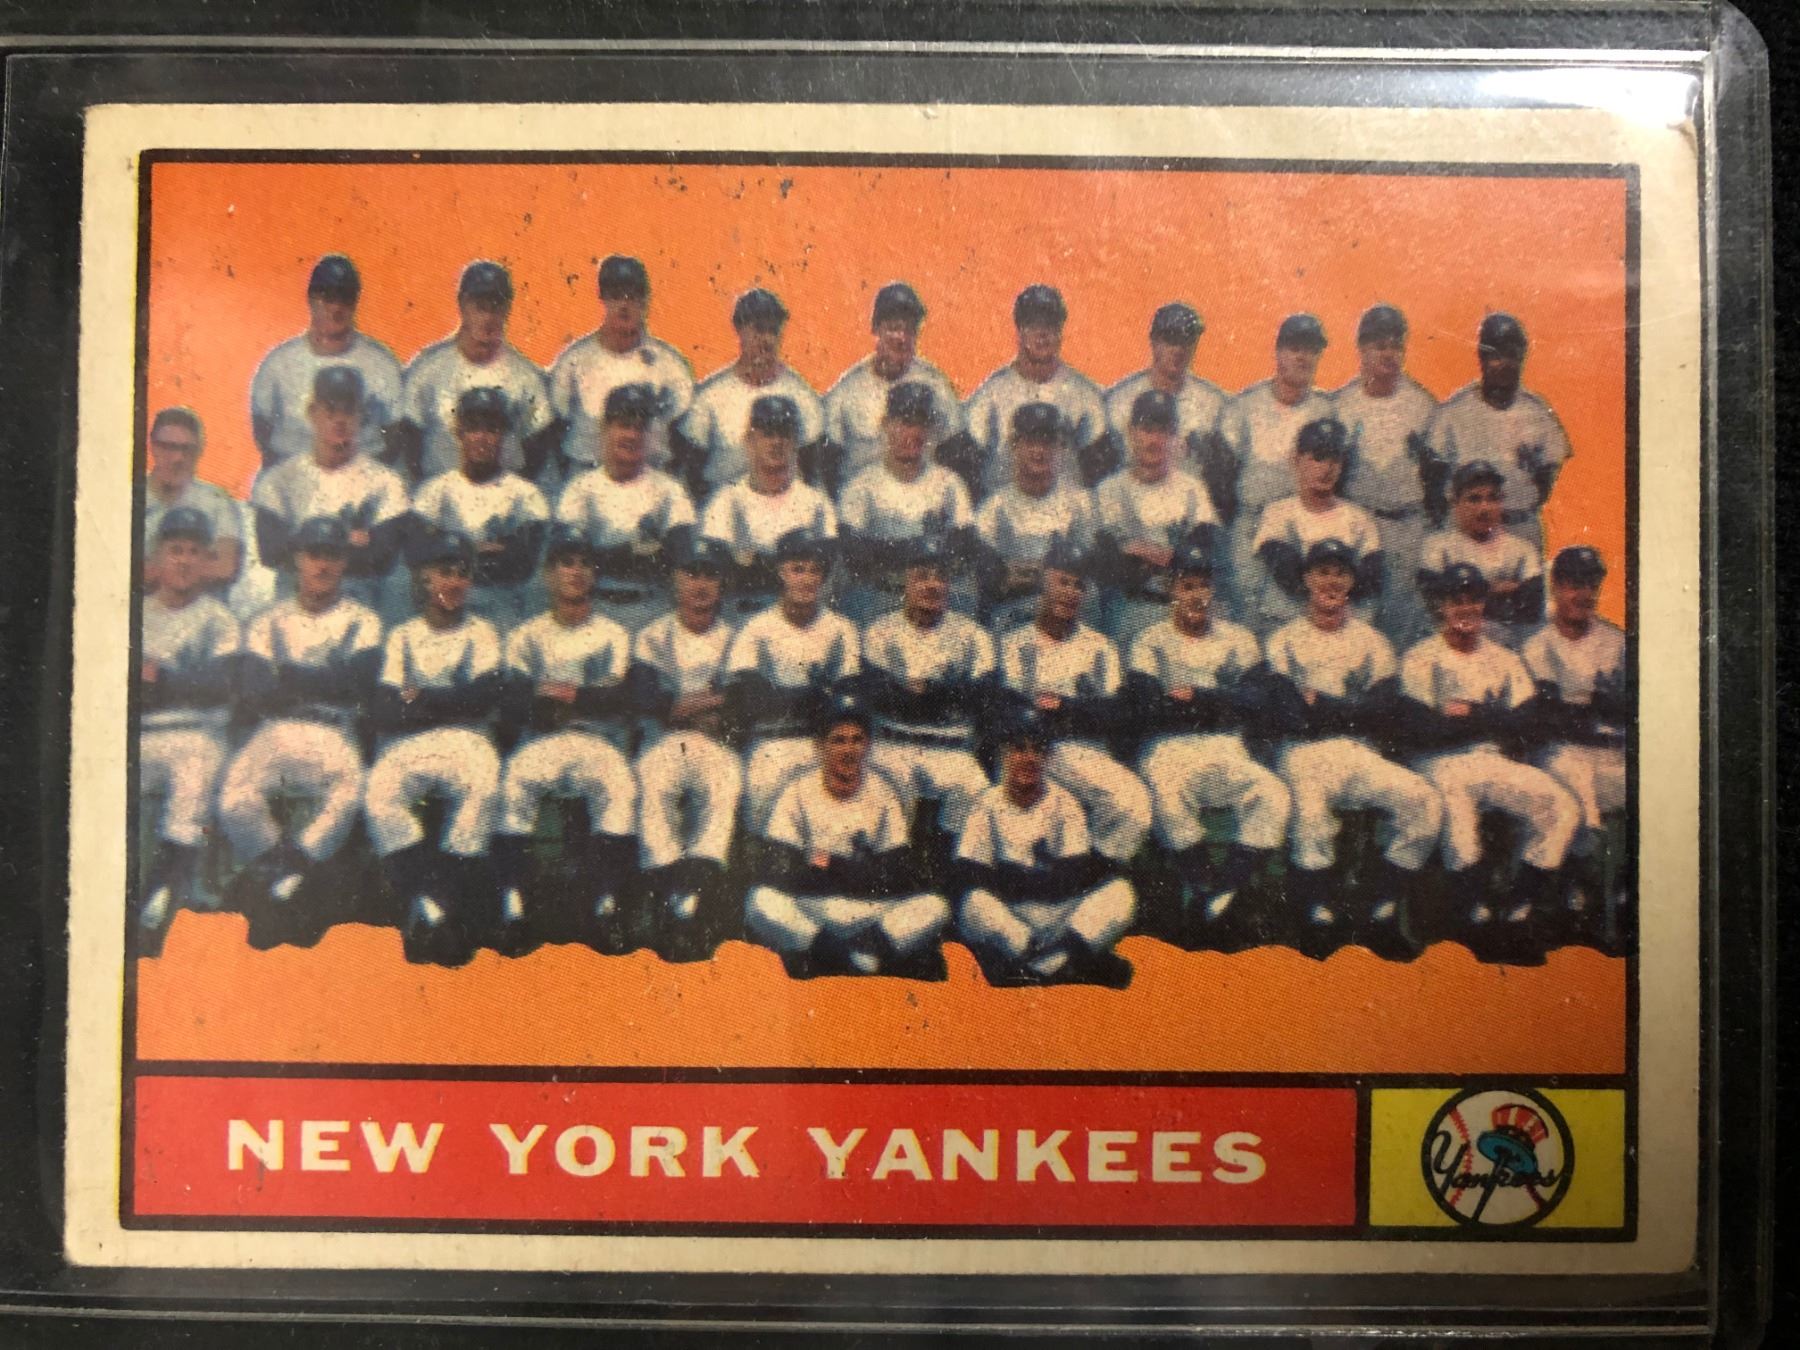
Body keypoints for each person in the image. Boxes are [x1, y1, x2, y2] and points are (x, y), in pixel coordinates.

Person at [1264, 540, 1444, 961]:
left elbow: (1383, 712)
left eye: (1341, 573)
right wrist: (1352, 708)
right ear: (1306, 579)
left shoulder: (1372, 641)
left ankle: (1381, 910)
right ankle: (1317, 916)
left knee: (1423, 801)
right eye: (1323, 572)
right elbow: (1290, 714)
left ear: (1352, 581)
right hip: (1303, 752)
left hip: (1359, 752)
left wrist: (1322, 705)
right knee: (1310, 814)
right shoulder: (1283, 640)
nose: (1332, 582)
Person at [1398, 564, 1582, 965]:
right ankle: (1475, 915)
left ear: (1485, 603)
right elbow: (1422, 731)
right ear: (1440, 605)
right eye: (1456, 599)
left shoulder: (1504, 658)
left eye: (1474, 598)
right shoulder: (1421, 657)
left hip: (1491, 759)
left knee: (1562, 806)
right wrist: (1497, 720)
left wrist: (1473, 714)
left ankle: (1518, 910)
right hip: (1438, 762)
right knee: (1455, 801)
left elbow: (1531, 725)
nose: (1466, 607)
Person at [218, 516, 382, 948]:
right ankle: (290, 875)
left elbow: (358, 683)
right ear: (297, 559)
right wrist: (326, 676)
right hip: (277, 729)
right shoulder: (268, 620)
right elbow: (257, 689)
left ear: (344, 562)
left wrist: (288, 674)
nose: (322, 565)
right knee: (234, 798)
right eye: (314, 554)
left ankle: (281, 878)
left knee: (348, 793)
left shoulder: (362, 620)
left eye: (332, 555)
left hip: (334, 729)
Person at [1126, 534, 1290, 948]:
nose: (1197, 596)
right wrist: (1225, 701)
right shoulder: (1151, 640)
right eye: (1187, 586)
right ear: (1170, 589)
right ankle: (1204, 887)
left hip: (1226, 746)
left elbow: (1259, 702)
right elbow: (1149, 708)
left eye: (1204, 585)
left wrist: (1199, 698)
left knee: (1273, 794)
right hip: (1169, 748)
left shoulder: (1239, 639)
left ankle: (1219, 892)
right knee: (1166, 795)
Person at [492, 525, 642, 956]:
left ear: (595, 574)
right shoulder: (526, 635)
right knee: (513, 784)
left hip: (597, 741)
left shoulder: (613, 633)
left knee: (620, 786)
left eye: (584, 564)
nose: (575, 572)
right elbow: (517, 701)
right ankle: (513, 910)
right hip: (541, 741)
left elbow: (615, 699)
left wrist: (555, 693)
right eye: (565, 563)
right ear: (548, 573)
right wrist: (582, 697)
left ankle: (605, 907)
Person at [362, 529, 504, 966]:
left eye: (463, 573)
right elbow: (385, 707)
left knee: (483, 788)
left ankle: (435, 908)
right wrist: (449, 700)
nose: (455, 582)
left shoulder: (482, 632)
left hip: (468, 738)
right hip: (409, 742)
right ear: (424, 578)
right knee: (379, 795)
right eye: (445, 572)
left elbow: (482, 699)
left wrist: (419, 697)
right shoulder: (403, 636)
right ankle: (436, 904)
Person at [746, 690, 952, 980]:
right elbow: (779, 868)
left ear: (868, 745)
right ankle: (853, 956)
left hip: (868, 912)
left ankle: (837, 954)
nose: (849, 749)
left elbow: (898, 872)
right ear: (820, 746)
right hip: (815, 909)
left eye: (857, 739)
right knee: (760, 901)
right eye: (838, 740)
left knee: (935, 907)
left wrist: (829, 865)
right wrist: (860, 871)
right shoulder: (797, 792)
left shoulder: (882, 793)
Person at [996, 536, 1153, 868]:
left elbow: (1115, 713)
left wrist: (1065, 708)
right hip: (1031, 749)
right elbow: (1009, 708)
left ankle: (1091, 874)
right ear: (1044, 582)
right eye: (1063, 582)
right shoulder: (1014, 643)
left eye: (1079, 585)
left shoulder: (1100, 647)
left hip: (1085, 750)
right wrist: (1075, 711)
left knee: (1133, 800)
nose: (1070, 592)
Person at [954, 706, 1138, 987]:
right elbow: (969, 875)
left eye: (1038, 750)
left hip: (1056, 915)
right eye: (1019, 748)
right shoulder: (986, 803)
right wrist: (1037, 877)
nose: (1029, 758)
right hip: (1011, 918)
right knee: (974, 904)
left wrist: (1010, 875)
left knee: (1121, 893)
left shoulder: (1065, 803)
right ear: (1004, 753)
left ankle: (1034, 968)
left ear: (1049, 757)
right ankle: (1067, 964)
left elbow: (1072, 877)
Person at [631, 530, 745, 959]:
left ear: (723, 583)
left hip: (714, 745)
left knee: (725, 780)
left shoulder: (735, 637)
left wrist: (682, 705)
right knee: (652, 781)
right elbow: (649, 701)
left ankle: (692, 899)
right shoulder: (652, 635)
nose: (700, 585)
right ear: (674, 579)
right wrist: (710, 700)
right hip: (664, 742)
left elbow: (741, 702)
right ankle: (669, 895)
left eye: (710, 575)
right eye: (691, 573)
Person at [136, 508, 242, 955]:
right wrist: (184, 681)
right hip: (139, 738)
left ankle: (158, 896)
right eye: (175, 550)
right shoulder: (135, 614)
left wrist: (159, 679)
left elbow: (219, 684)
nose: (183, 560)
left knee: (193, 774)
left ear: (206, 561)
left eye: (194, 552)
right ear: (157, 557)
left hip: (198, 735)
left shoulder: (219, 619)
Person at [861, 534, 997, 864]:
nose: (932, 585)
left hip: (952, 748)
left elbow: (983, 696)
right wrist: (948, 692)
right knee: (888, 798)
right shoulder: (880, 631)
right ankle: (892, 874)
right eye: (922, 576)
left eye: (940, 576)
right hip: (893, 744)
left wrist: (921, 690)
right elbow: (877, 695)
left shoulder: (973, 635)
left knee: (976, 791)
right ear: (905, 581)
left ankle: (949, 875)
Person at [1520, 546, 1630, 953]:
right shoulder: (1538, 644)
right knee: (1577, 782)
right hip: (1558, 753)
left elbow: (1633, 707)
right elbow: (1552, 719)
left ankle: (1611, 893)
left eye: (1589, 583)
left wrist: (1606, 707)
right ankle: (1584, 893)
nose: (1581, 594)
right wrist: (1601, 708)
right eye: (1571, 584)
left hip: (1609, 751)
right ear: (1555, 586)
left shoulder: (1615, 640)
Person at [723, 529, 862, 832]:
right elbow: (753, 700)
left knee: (827, 831)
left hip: (820, 744)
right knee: (768, 831)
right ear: (780, 572)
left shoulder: (842, 629)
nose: (807, 579)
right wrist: (816, 694)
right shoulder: (756, 628)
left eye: (815, 570)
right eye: (798, 569)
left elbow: (849, 697)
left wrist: (783, 695)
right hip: (771, 743)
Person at [251, 366, 411, 612]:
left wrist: (303, 544)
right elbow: (271, 553)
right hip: (292, 608)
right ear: (312, 412)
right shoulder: (279, 479)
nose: (339, 420)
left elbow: (382, 560)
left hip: (360, 606)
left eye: (348, 411)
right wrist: (348, 541)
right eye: (330, 409)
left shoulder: (386, 482)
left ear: (362, 415)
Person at [1208, 313, 1337, 613]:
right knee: (1246, 611)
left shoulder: (1325, 410)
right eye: (1295, 348)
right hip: (1250, 524)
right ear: (1278, 352)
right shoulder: (1244, 406)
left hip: (1302, 528)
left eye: (1311, 350)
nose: (1303, 357)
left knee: (1298, 613)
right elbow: (1220, 482)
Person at [393, 260, 557, 482]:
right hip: (438, 495)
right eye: (480, 307)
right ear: (462, 305)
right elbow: (407, 445)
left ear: (507, 309)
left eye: (496, 307)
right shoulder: (427, 369)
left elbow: (539, 451)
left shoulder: (527, 377)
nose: (488, 318)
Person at [1333, 305, 1439, 647]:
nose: (1389, 354)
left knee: (1404, 622)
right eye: (1380, 346)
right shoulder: (1341, 404)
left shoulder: (1423, 405)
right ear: (1361, 349)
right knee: (1356, 616)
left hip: (1408, 524)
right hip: (1358, 523)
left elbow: (1437, 478)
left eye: (1396, 346)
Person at [545, 254, 696, 495]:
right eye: (615, 296)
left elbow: (684, 437)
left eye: (632, 297)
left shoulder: (669, 364)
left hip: (652, 481)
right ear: (603, 298)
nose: (624, 306)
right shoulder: (574, 362)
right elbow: (555, 427)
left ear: (645, 301)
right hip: (586, 479)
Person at [555, 383, 698, 634]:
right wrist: (638, 553)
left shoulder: (670, 490)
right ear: (605, 428)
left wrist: (605, 553)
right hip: (596, 610)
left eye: (639, 427)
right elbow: (569, 562)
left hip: (653, 609)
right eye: (623, 425)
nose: (632, 435)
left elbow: (683, 559)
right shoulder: (580, 489)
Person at [409, 386, 551, 636]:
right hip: (448, 613)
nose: (482, 438)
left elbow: (522, 566)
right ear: (459, 432)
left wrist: (453, 551)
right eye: (473, 428)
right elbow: (419, 561)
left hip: (503, 614)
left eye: (491, 429)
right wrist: (485, 550)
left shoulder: (526, 494)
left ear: (504, 434)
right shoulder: (434, 492)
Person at [1425, 313, 1572, 552]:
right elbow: (1434, 481)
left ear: (1522, 358)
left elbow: (1546, 480)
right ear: (1482, 358)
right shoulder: (1453, 412)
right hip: (1465, 534)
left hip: (1520, 527)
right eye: (1496, 356)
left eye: (1512, 355)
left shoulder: (1538, 413)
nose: (1505, 364)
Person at [836, 381, 977, 624]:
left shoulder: (949, 483)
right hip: (882, 592)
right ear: (885, 424)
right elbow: (854, 554)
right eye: (904, 423)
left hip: (932, 593)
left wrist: (892, 551)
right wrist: (920, 547)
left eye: (921, 424)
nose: (913, 433)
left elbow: (964, 545)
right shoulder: (862, 485)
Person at [1091, 388, 1220, 649]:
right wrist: (1171, 555)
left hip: (1179, 612)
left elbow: (1204, 553)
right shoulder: (1109, 490)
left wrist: (1140, 551)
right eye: (1147, 429)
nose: (1155, 440)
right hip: (1128, 610)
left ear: (1175, 436)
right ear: (1131, 432)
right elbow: (1110, 565)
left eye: (1164, 431)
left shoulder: (1192, 489)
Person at [249, 253, 403, 469]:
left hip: (363, 477)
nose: (336, 308)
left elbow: (395, 436)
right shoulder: (279, 364)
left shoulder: (381, 363)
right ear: (311, 299)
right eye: (328, 298)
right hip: (293, 477)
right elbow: (262, 432)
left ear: (356, 301)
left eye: (345, 298)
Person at [960, 284, 1110, 496]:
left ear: (1061, 331)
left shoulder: (1085, 394)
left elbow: (1100, 472)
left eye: (1051, 325)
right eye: (1033, 325)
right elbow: (970, 467)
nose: (1042, 334)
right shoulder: (991, 393)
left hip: (1066, 510)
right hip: (1004, 510)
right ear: (1019, 330)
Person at [676, 287, 826, 500]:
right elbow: (690, 477)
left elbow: (813, 475)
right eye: (759, 329)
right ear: (740, 331)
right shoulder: (710, 398)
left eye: (773, 331)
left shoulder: (802, 397)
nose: (767, 340)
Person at [699, 394, 838, 619]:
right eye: (768, 434)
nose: (776, 442)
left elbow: (826, 573)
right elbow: (717, 574)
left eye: (784, 434)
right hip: (742, 613)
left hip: (798, 616)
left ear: (796, 441)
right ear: (749, 439)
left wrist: (755, 563)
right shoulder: (726, 501)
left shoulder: (816, 503)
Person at [820, 282, 964, 497]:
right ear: (876, 328)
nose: (902, 338)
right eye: (894, 328)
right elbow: (826, 467)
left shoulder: (936, 386)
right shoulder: (847, 391)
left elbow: (956, 457)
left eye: (910, 330)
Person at [972, 402, 1100, 635]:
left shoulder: (1081, 504)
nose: (1039, 451)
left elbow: (1088, 573)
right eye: (1030, 441)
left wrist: (1029, 573)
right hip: (1010, 619)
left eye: (1048, 442)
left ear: (1061, 447)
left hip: (1066, 622)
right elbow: (987, 578)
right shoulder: (994, 507)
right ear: (1014, 445)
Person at [1250, 416, 1383, 637]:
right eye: (1318, 458)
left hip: (1341, 626)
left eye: (1335, 460)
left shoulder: (1359, 518)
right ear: (1297, 459)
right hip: (1287, 622)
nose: (1327, 469)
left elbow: (1369, 579)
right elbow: (1288, 576)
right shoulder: (1278, 513)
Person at [1417, 460, 1544, 648]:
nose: (1484, 508)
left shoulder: (1522, 549)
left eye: (1492, 498)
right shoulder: (1438, 546)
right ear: (1456, 503)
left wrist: (1465, 594)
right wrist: (1505, 591)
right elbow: (1435, 605)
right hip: (1451, 649)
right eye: (1474, 499)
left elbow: (1532, 609)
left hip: (1507, 649)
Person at [1103, 302, 1228, 472]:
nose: (1178, 350)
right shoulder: (1118, 401)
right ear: (1154, 341)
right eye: (1171, 340)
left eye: (1187, 341)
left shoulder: (1214, 404)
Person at [141, 406, 242, 596]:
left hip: (201, 607)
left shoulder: (216, 501)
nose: (178, 458)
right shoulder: (130, 496)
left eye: (187, 449)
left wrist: (158, 570)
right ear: (153, 446)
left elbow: (225, 567)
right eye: (168, 447)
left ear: (199, 451)